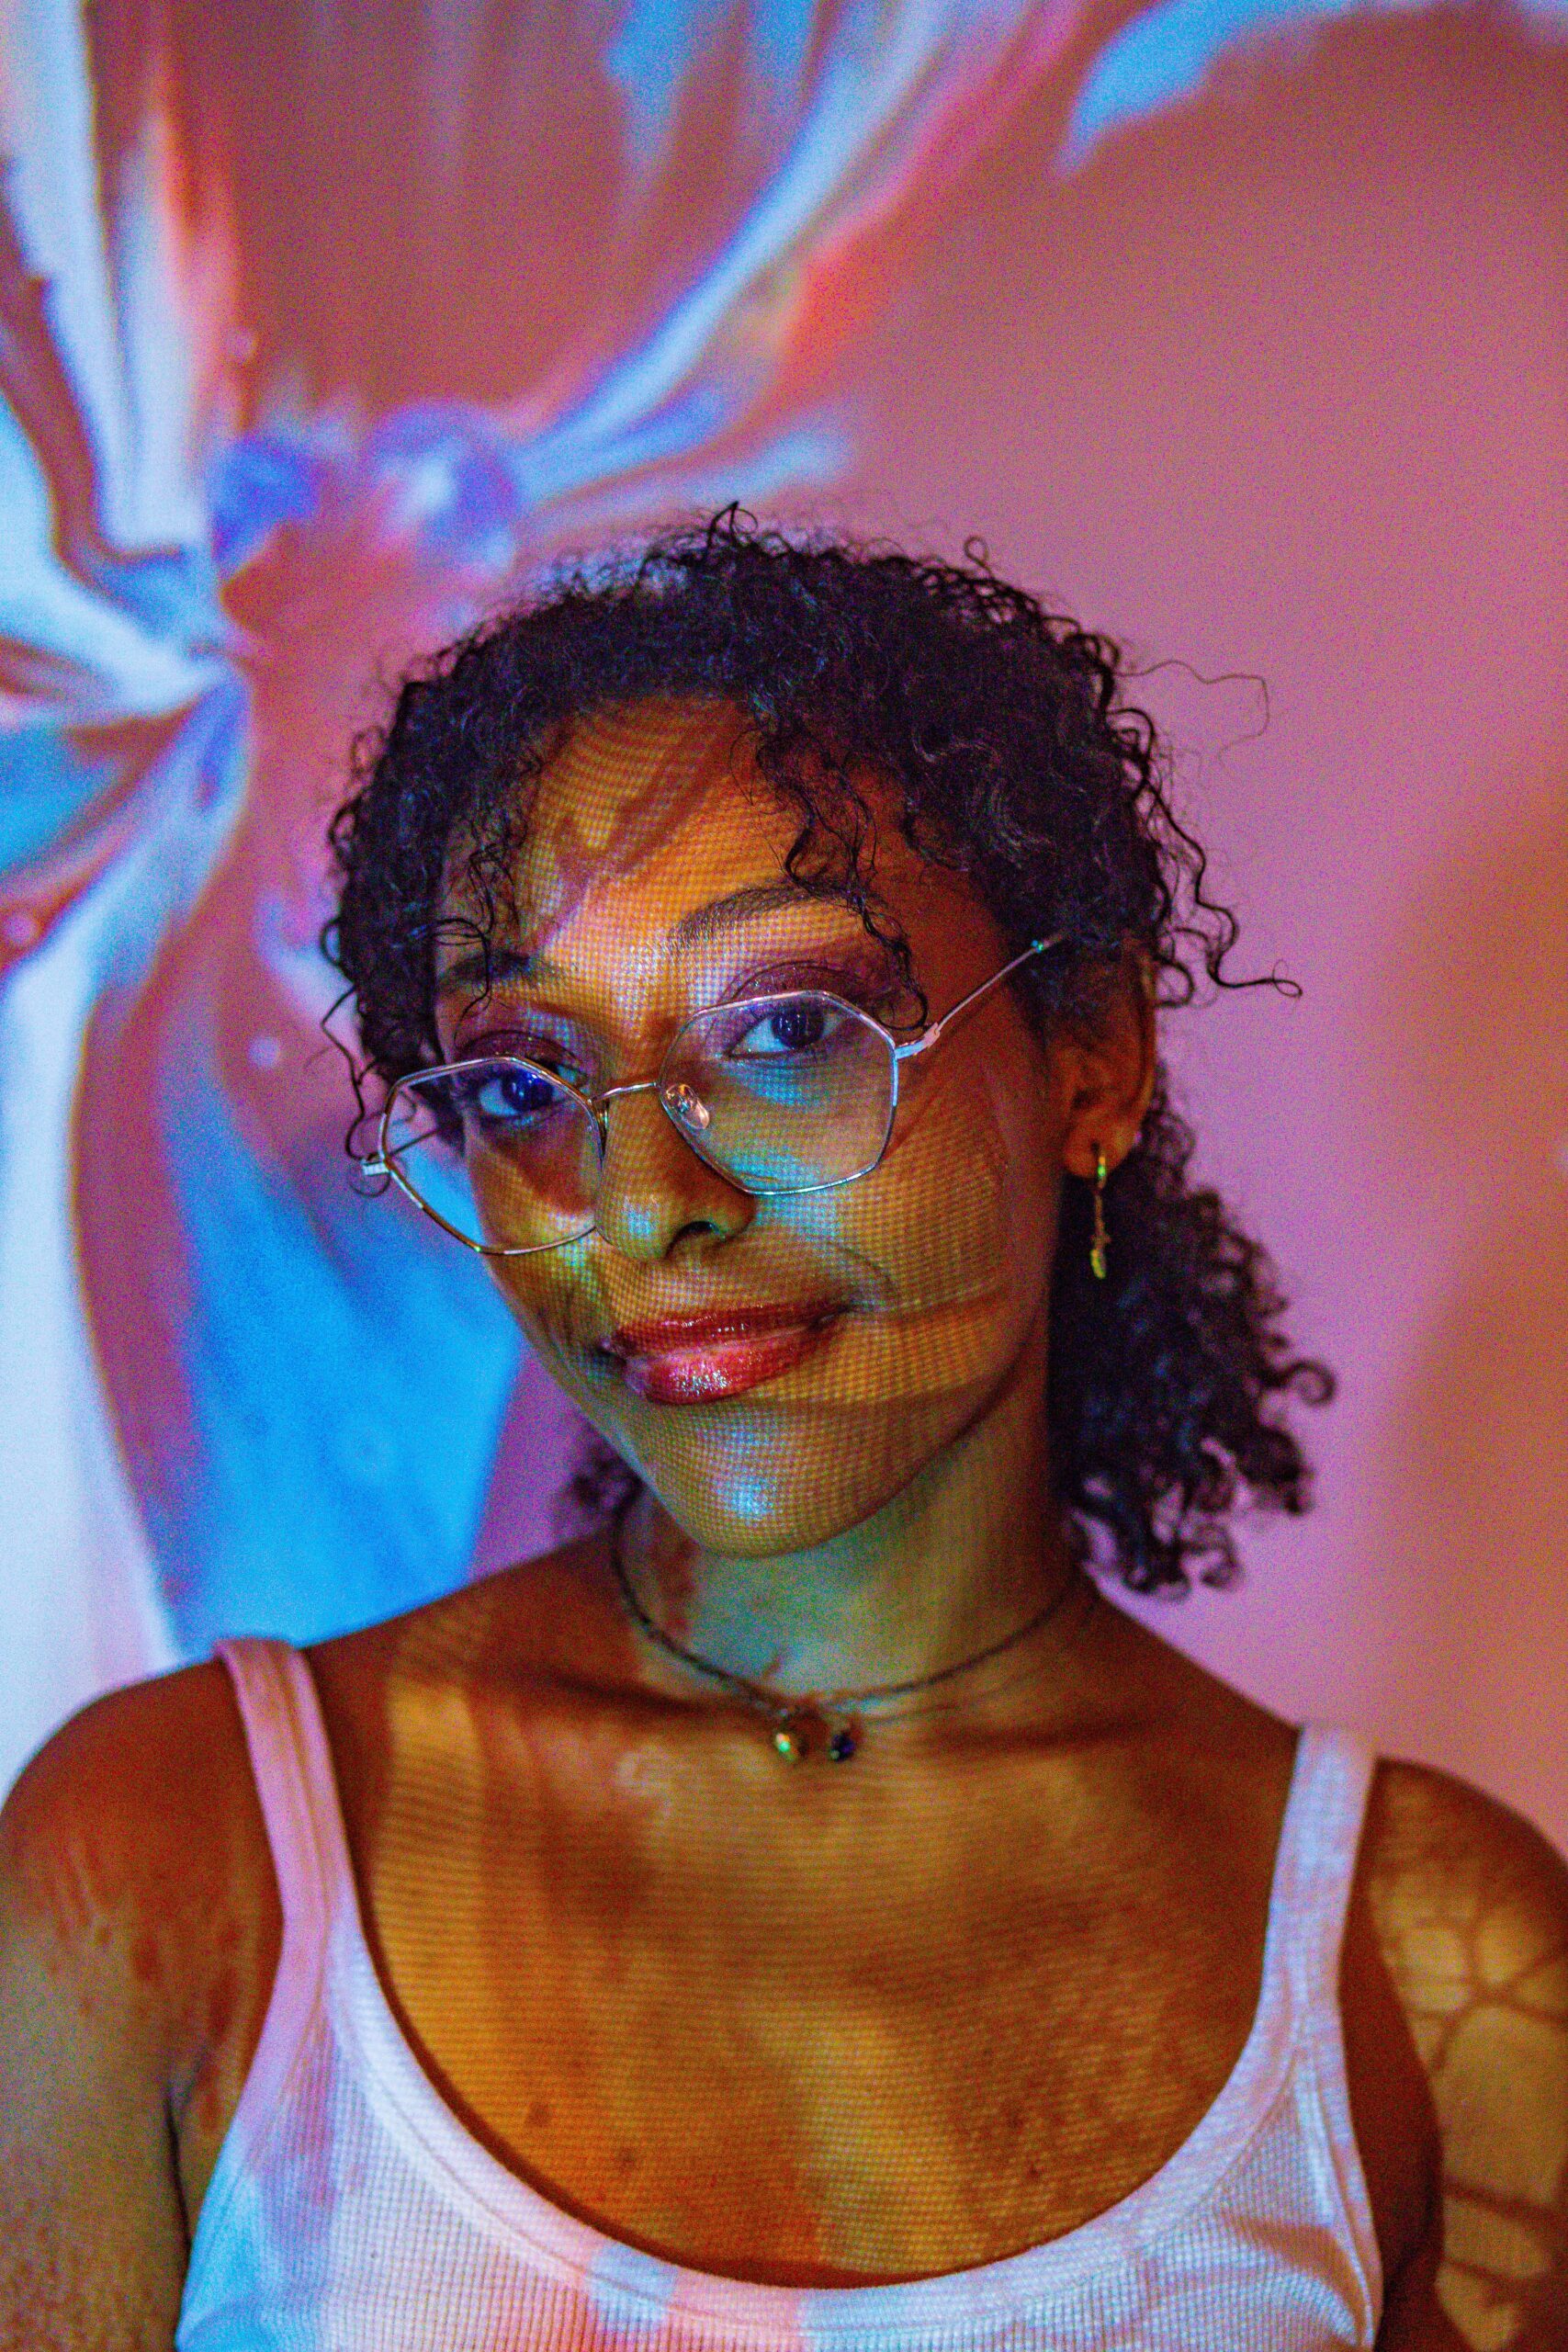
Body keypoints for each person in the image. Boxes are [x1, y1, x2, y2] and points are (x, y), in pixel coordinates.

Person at [2, 513, 1564, 2352]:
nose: (638, 1201)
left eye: (789, 1030)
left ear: (1092, 1061)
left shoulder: (1430, 1974)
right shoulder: (181, 1854)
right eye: (523, 1078)